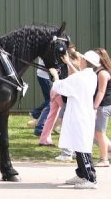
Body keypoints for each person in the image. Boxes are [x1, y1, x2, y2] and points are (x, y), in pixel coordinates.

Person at [49, 50, 100, 189]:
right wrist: (69, 63)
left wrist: (55, 76)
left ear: (84, 61)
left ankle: (90, 178)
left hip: (79, 116)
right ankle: (81, 174)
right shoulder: (90, 75)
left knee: (82, 147)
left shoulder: (81, 78)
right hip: (82, 115)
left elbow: (61, 87)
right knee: (79, 145)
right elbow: (76, 78)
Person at [39, 48, 80, 146]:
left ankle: (44, 139)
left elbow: (53, 77)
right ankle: (69, 141)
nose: (80, 60)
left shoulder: (60, 65)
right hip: (61, 92)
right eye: (78, 58)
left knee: (52, 116)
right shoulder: (70, 66)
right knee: (64, 117)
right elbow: (77, 77)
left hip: (55, 90)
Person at [93, 48, 111, 167]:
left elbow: (101, 92)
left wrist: (95, 107)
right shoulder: (98, 71)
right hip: (101, 105)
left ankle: (104, 159)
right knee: (97, 133)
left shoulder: (103, 73)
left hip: (103, 106)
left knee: (100, 132)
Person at [27, 58, 51, 136]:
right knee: (50, 100)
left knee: (49, 99)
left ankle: (35, 114)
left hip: (43, 75)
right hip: (44, 76)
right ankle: (36, 115)